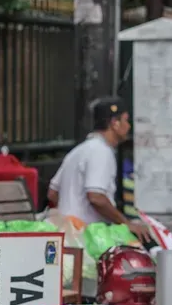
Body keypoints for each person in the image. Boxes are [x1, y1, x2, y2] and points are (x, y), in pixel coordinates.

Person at [47, 97, 152, 243]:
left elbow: (53, 193)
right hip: (87, 238)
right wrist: (126, 224)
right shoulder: (101, 152)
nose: (128, 126)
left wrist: (71, 213)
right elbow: (96, 197)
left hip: (68, 233)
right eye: (126, 120)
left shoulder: (79, 150)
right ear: (115, 123)